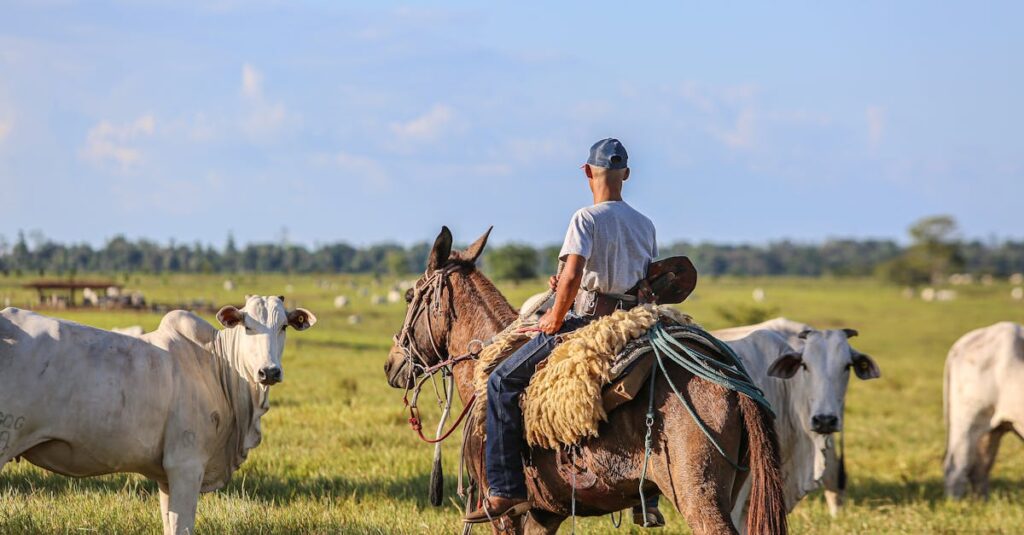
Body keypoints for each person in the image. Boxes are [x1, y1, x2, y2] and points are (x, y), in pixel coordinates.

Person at [464, 138, 664, 527]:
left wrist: (555, 315)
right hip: (631, 323)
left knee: (501, 382)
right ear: (626, 175)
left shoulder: (585, 219)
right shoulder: (645, 224)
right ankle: (647, 496)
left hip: (588, 323)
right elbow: (641, 282)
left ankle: (506, 489)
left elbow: (574, 275)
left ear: (587, 172)